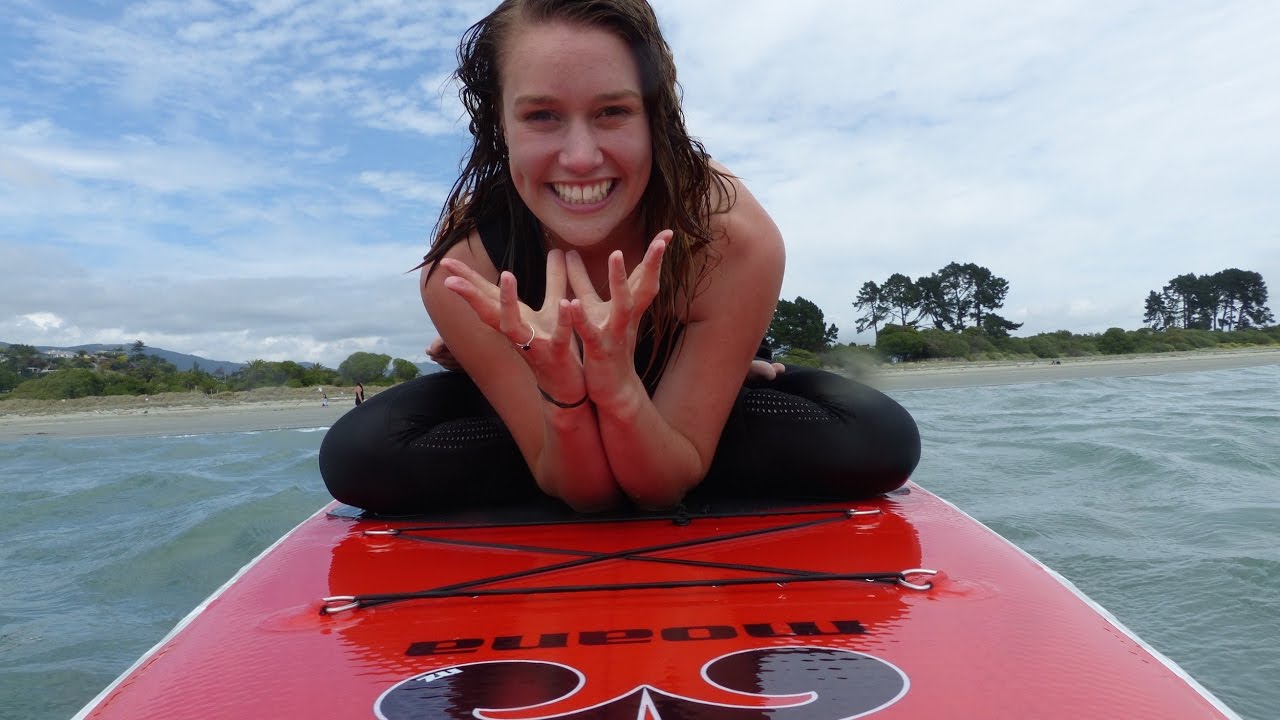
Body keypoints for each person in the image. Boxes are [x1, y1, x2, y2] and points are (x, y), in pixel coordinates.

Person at [319, 0, 919, 515]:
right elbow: (588, 499)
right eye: (542, 115)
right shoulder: (467, 264)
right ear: (500, 127)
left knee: (877, 441)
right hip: (542, 403)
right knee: (360, 457)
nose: (581, 158)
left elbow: (659, 491)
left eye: (613, 111)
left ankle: (726, 378)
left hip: (678, 388)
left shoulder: (726, 235)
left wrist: (625, 388)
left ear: (655, 118)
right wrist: (561, 380)